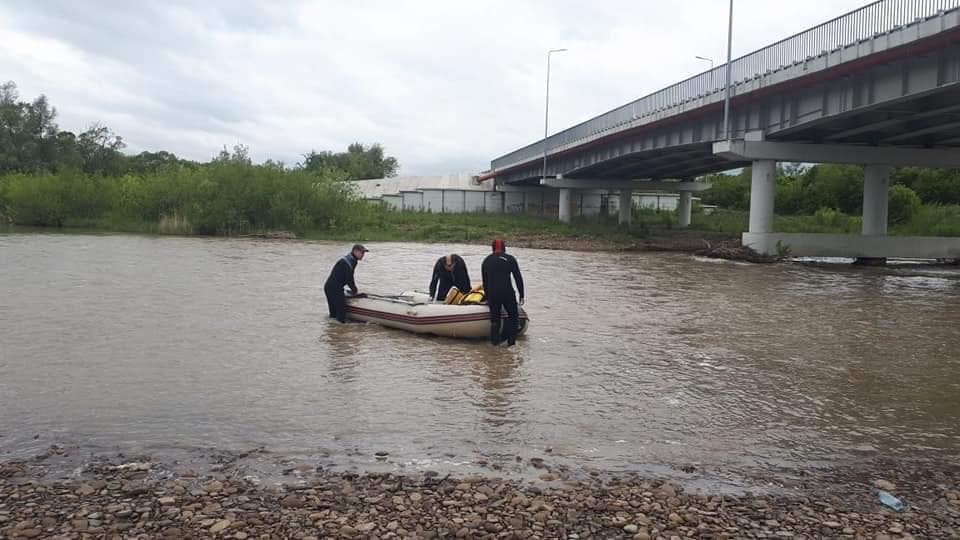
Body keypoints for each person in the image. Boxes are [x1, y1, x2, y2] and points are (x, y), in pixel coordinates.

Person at [481, 238, 525, 346]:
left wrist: (487, 297)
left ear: (492, 248)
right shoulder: (510, 259)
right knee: (513, 317)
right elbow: (518, 278)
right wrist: (521, 295)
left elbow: (485, 282)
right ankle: (511, 343)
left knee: (495, 320)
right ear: (504, 248)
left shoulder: (486, 261)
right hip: (507, 292)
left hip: (493, 294)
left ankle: (494, 346)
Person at [324, 244, 368, 323]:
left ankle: (332, 330)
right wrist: (355, 291)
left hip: (329, 287)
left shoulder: (350, 259)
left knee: (333, 315)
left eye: (364, 253)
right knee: (341, 314)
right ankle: (340, 331)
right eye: (362, 253)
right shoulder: (349, 261)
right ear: (355, 251)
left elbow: (348, 278)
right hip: (335, 288)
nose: (363, 255)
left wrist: (353, 290)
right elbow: (349, 279)